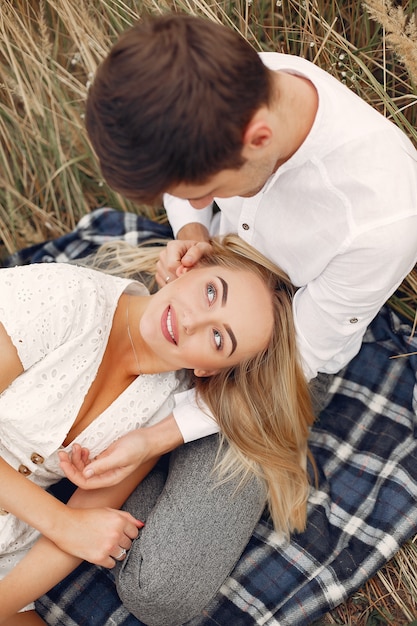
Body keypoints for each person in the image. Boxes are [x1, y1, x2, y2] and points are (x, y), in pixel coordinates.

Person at [44, 12, 417, 625]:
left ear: (259, 138)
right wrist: (192, 227)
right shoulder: (223, 86)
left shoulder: (384, 217)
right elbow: (183, 195)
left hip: (278, 363)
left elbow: (304, 357)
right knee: (47, 399)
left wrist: (159, 434)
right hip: (189, 294)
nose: (192, 199)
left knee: (161, 592)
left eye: (200, 189)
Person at [0, 234, 314, 625]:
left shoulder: (163, 408)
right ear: (190, 267)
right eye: (211, 293)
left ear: (209, 370)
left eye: (218, 338)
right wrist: (62, 523)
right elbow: (72, 528)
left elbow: (85, 527)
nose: (191, 321)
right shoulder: (65, 298)